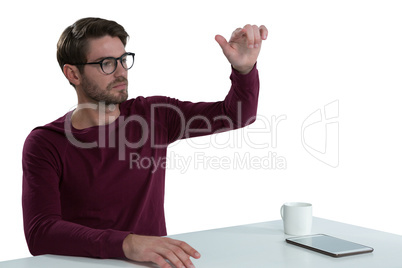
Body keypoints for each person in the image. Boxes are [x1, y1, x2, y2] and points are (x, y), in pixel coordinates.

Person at [22, 17, 267, 268]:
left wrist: (244, 70)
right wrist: (127, 243)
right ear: (73, 73)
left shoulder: (153, 114)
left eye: (123, 59)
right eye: (107, 63)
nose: (120, 72)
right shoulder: (46, 143)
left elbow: (237, 115)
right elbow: (40, 233)